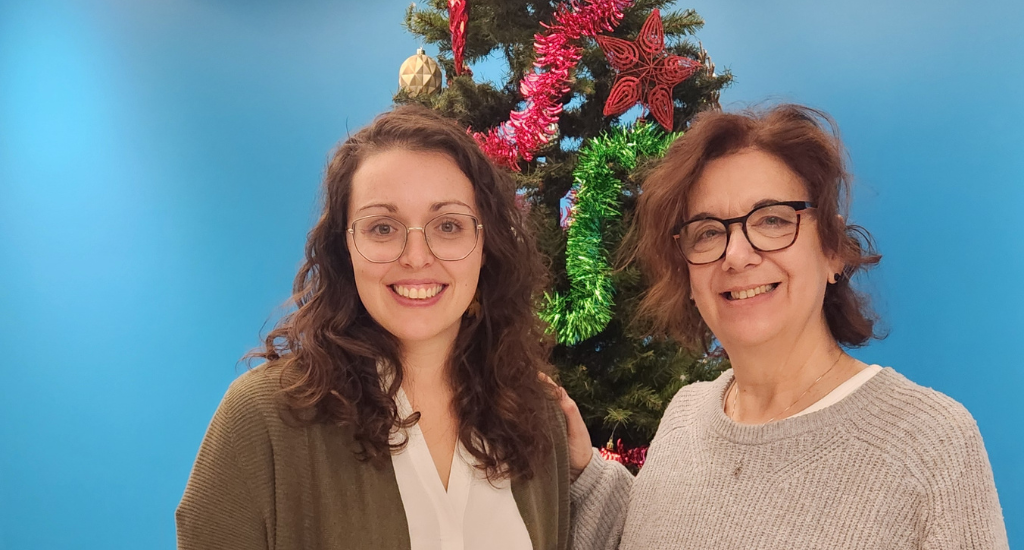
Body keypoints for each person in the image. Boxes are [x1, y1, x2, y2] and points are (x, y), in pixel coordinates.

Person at [561, 104, 1009, 549]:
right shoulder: (686, 414)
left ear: (832, 250)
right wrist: (587, 474)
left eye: (773, 220)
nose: (736, 255)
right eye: (708, 232)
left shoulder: (930, 443)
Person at [176, 105, 572, 550]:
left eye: (448, 225)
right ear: (345, 249)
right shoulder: (262, 421)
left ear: (486, 247)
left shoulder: (534, 414)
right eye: (383, 227)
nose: (417, 257)